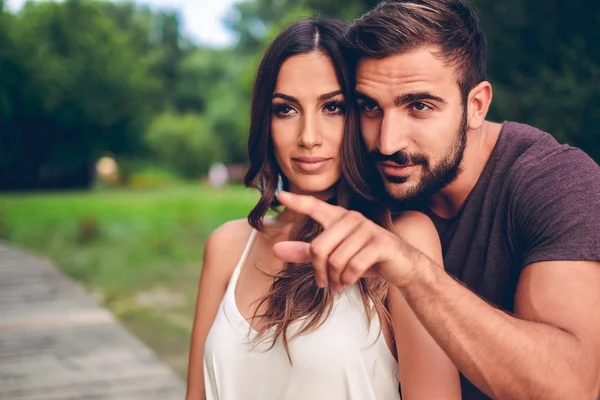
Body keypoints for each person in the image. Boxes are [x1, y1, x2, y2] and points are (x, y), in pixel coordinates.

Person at [273, 1, 600, 399]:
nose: (388, 141)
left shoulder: (553, 181)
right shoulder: (370, 183)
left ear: (476, 106)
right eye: (370, 107)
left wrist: (414, 271)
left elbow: (571, 387)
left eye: (420, 106)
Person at [185, 17, 461, 400]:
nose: (309, 137)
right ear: (265, 120)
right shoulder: (227, 246)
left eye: (333, 107)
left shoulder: (404, 239)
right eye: (286, 110)